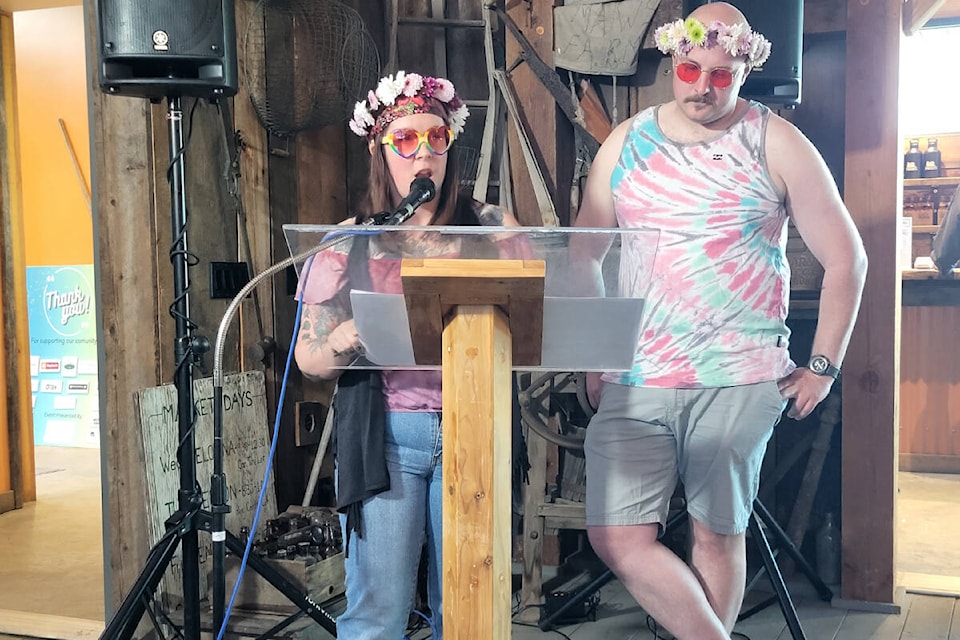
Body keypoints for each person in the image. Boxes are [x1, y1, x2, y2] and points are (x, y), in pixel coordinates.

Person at [573, 3, 868, 639]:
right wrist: (594, 355)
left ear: (744, 70)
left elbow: (847, 259)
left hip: (740, 375)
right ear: (672, 61)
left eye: (720, 74)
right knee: (615, 536)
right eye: (689, 68)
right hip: (637, 371)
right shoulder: (626, 142)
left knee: (717, 528)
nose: (702, 86)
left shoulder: (777, 141)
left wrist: (823, 365)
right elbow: (584, 253)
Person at [293, 71, 521, 639]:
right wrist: (343, 338)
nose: (424, 153)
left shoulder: (492, 229)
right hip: (388, 436)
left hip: (476, 429)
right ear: (379, 150)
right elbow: (308, 360)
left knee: (468, 613)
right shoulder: (350, 240)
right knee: (379, 613)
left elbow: (538, 319)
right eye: (406, 141)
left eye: (436, 138)